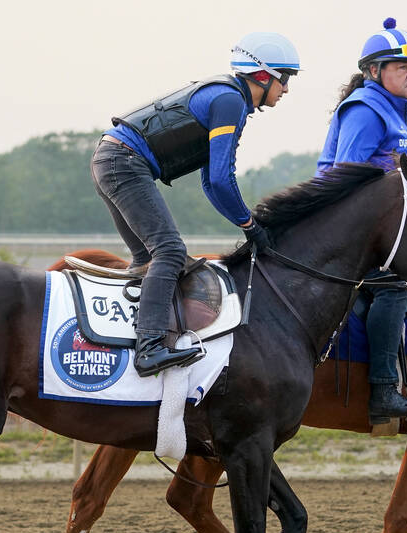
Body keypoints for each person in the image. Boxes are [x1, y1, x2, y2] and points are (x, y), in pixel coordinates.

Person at [92, 32, 300, 377]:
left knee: (147, 260)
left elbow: (210, 183)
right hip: (123, 162)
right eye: (285, 78)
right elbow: (221, 179)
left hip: (112, 158)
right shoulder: (230, 101)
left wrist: (246, 223)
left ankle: (128, 342)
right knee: (170, 252)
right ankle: (149, 349)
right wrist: (250, 225)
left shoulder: (226, 98)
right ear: (263, 75)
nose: (287, 89)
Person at [317, 18, 407, 423]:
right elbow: (345, 177)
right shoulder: (366, 110)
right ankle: (384, 391)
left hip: (381, 234)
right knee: (396, 285)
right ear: (373, 71)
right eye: (402, 66)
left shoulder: (394, 113)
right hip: (351, 233)